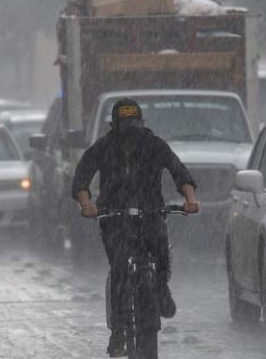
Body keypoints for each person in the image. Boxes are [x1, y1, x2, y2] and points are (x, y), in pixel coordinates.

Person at [72, 98, 199, 357]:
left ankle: (161, 288)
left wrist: (190, 199)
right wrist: (87, 204)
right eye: (124, 126)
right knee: (119, 268)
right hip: (114, 216)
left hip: (151, 213)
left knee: (161, 248)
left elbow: (179, 172)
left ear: (142, 124)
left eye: (134, 126)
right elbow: (82, 178)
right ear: (114, 126)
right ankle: (119, 330)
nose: (130, 133)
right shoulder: (103, 147)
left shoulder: (154, 145)